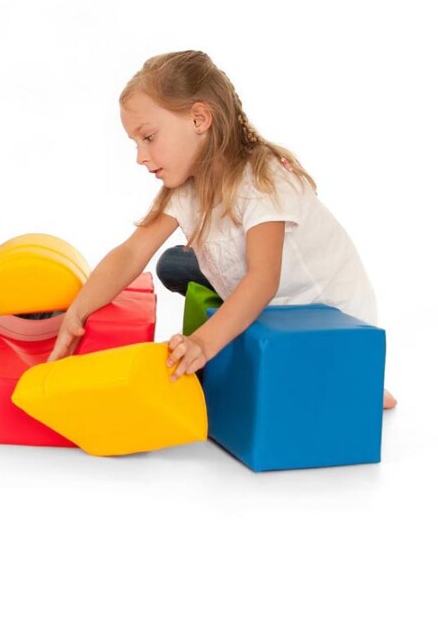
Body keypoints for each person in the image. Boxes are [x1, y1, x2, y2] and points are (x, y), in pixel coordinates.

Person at [48, 50, 396, 409]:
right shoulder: (188, 184)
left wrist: (202, 343)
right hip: (269, 293)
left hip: (319, 311)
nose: (140, 156)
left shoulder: (262, 181)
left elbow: (263, 279)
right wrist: (78, 310)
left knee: (224, 289)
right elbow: (132, 251)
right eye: (135, 143)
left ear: (199, 119)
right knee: (172, 264)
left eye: (148, 137)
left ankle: (361, 382)